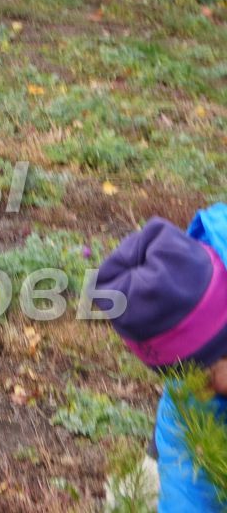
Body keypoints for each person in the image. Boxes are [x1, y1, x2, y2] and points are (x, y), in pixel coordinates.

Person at [97, 207, 227, 512]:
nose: (200, 390)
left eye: (206, 376)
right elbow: (188, 483)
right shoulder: (191, 393)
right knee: (133, 495)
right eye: (182, 377)